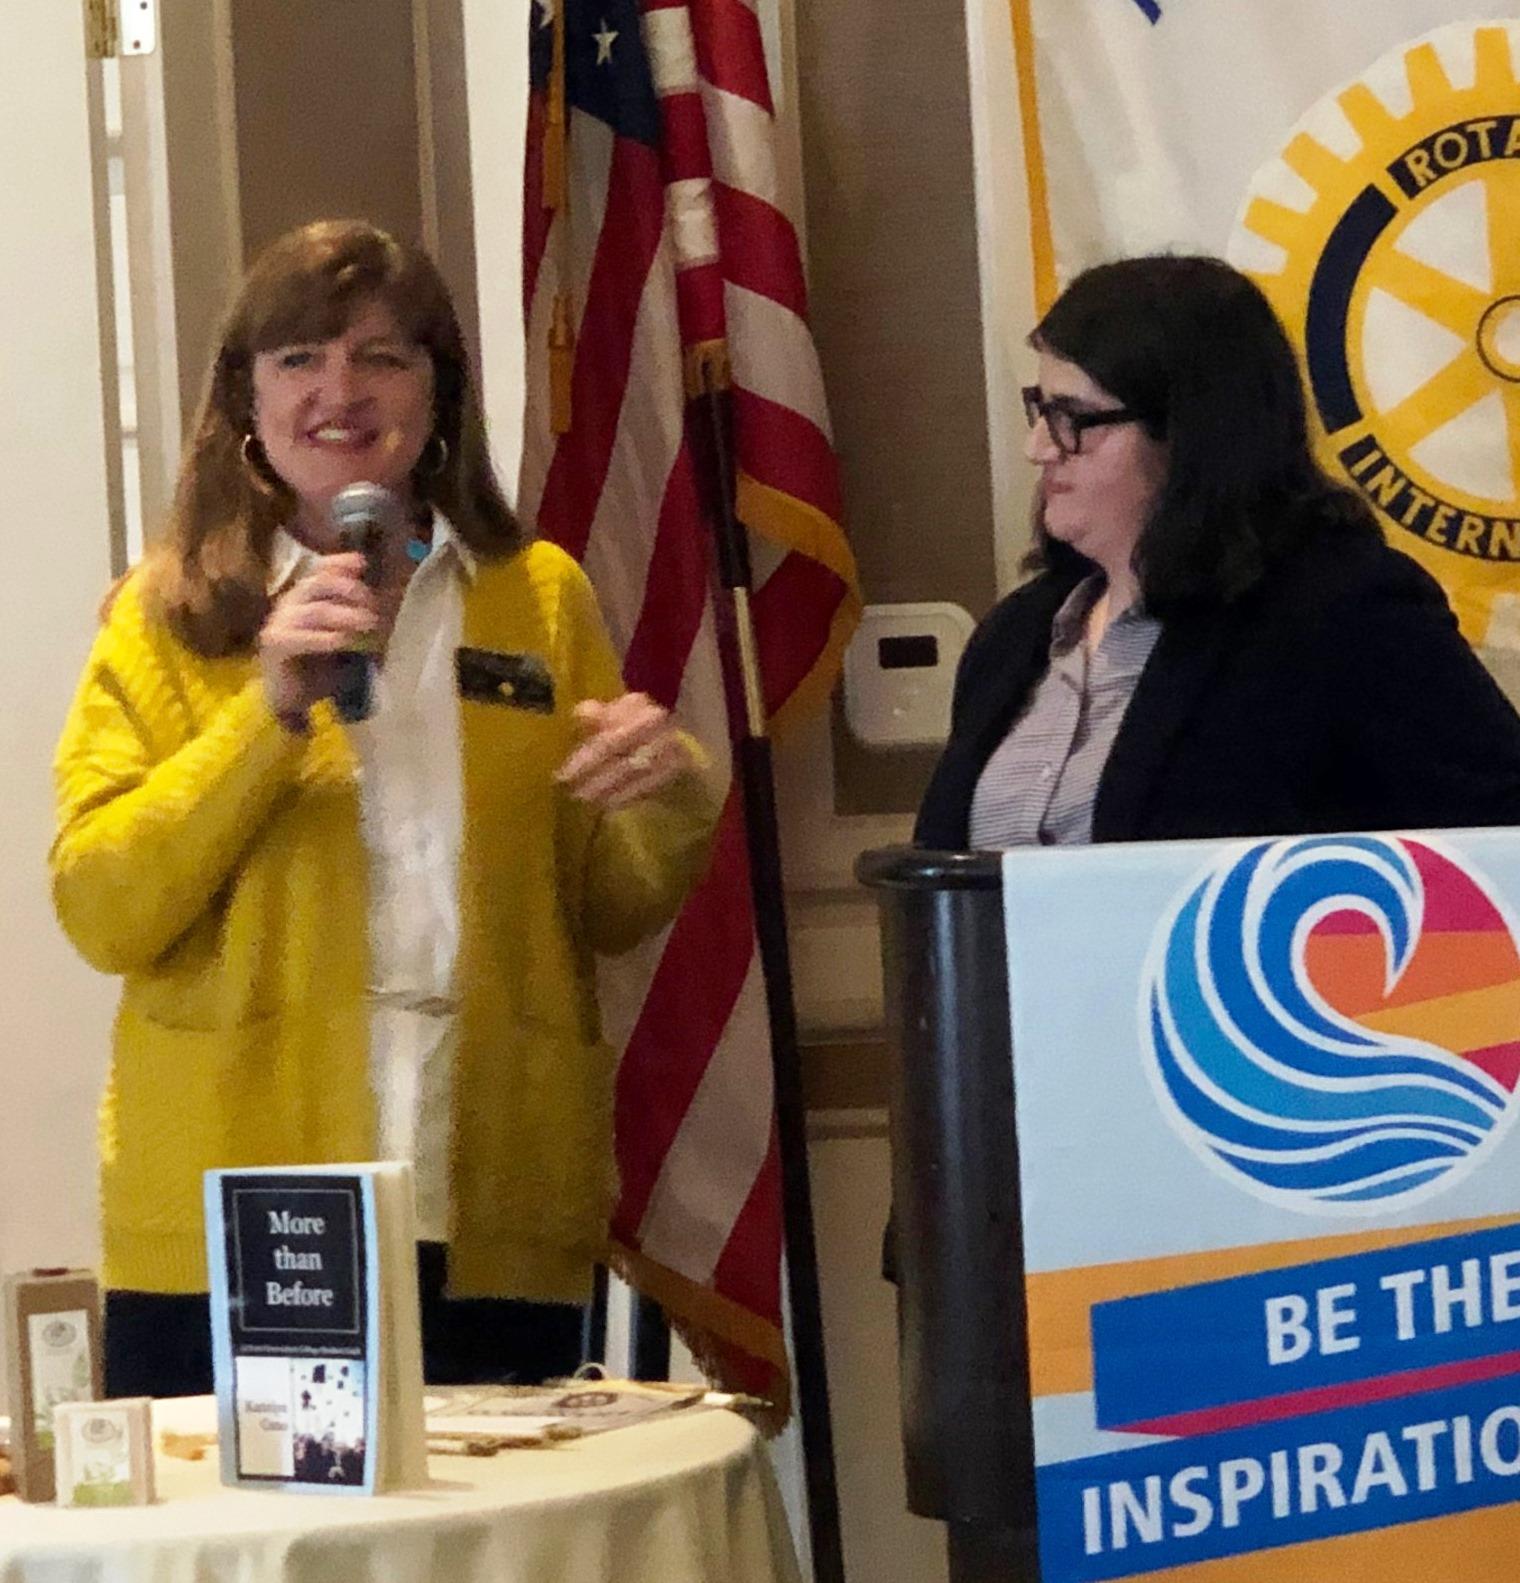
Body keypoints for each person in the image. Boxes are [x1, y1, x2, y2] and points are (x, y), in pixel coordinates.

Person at [51, 220, 719, 1396]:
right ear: (246, 398)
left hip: (493, 1196)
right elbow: (104, 907)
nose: (340, 392)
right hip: (241, 1215)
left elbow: (604, 907)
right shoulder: (166, 614)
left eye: (382, 357)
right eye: (299, 358)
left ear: (437, 390)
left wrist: (666, 792)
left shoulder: (536, 597)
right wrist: (264, 716)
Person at [917, 254, 1520, 851]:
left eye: (1073, 417)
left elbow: (1497, 836)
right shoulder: (1014, 634)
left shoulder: (1346, 612)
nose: (1039, 448)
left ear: (1192, 432)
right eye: (1041, 409)